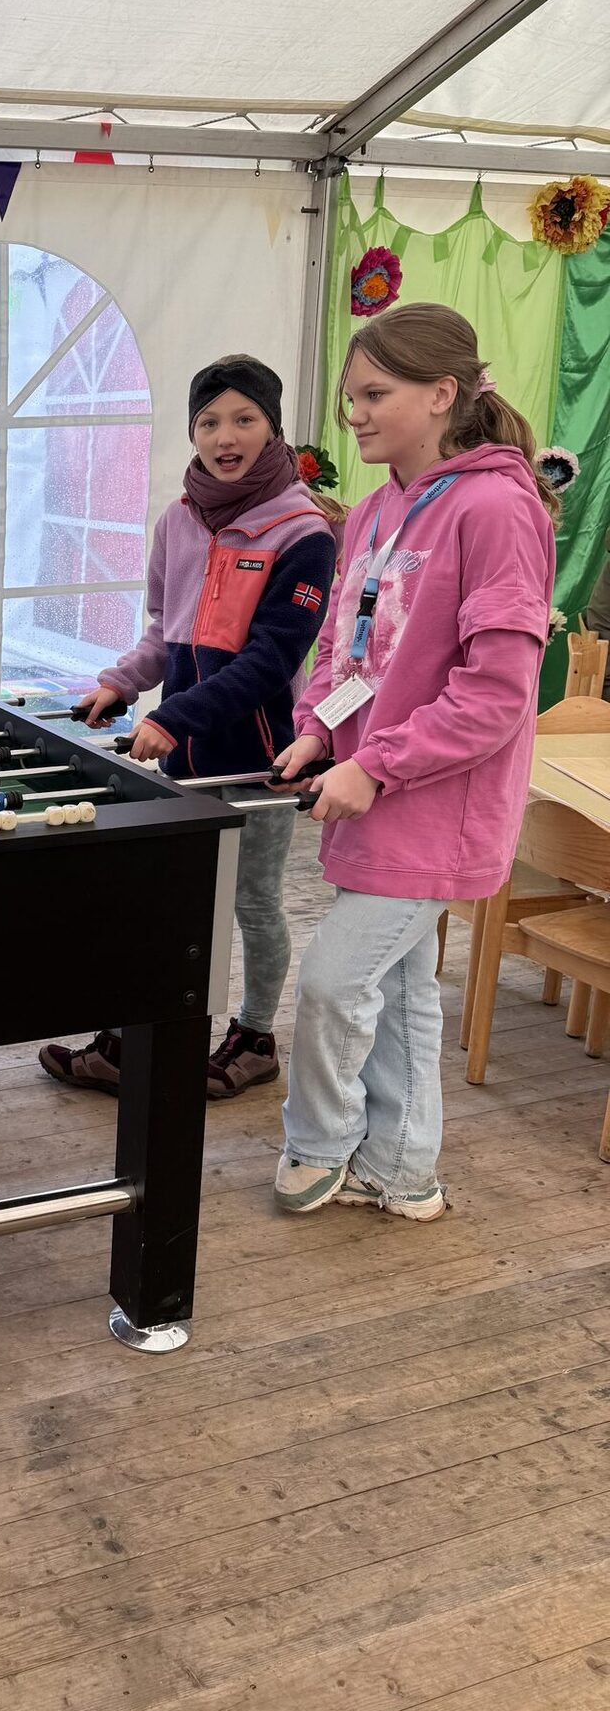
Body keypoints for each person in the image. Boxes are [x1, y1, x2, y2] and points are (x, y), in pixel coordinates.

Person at [273, 302, 556, 1221]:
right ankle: (403, 1172)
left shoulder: (497, 508)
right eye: (351, 396)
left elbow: (497, 693)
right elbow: (340, 648)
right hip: (371, 792)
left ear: (441, 395)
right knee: (399, 988)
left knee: (333, 980)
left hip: (435, 806)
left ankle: (320, 1142)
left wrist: (378, 765)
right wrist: (318, 729)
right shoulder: (373, 509)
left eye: (373, 395)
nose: (353, 415)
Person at [40, 355, 341, 1099]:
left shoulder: (304, 532)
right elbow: (163, 632)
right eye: (208, 422)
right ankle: (129, 1041)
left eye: (244, 419)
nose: (224, 436)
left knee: (253, 903)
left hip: (257, 762)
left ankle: (255, 1038)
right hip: (182, 757)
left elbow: (271, 662)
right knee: (164, 899)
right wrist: (120, 682)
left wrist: (172, 717)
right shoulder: (177, 520)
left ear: (273, 428)